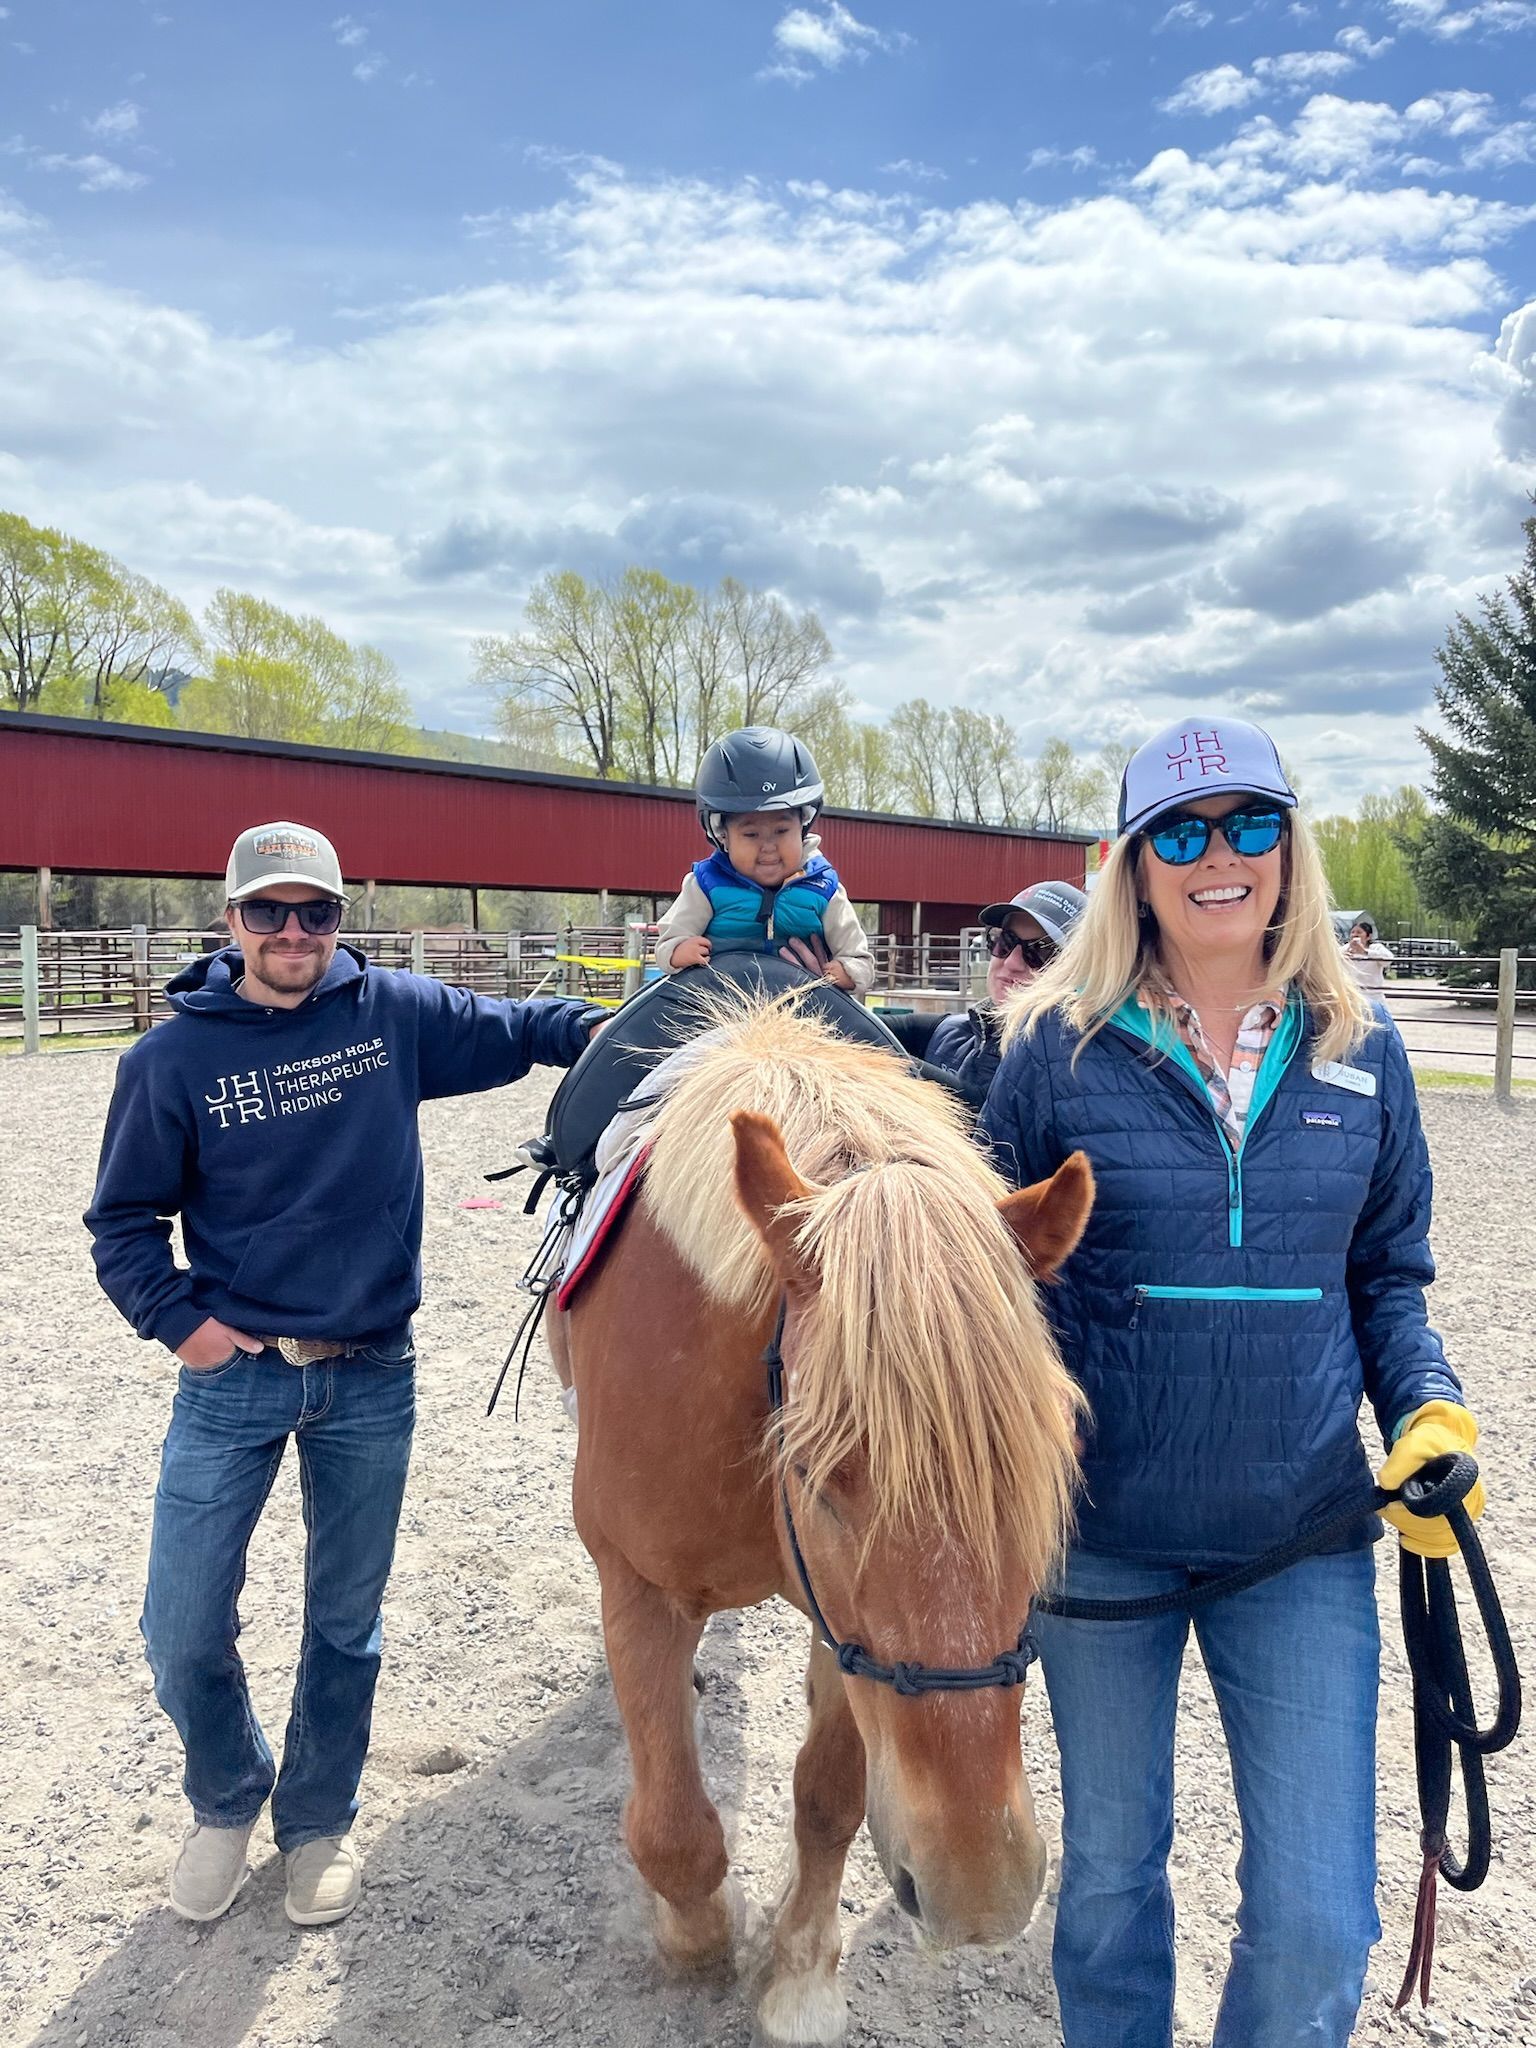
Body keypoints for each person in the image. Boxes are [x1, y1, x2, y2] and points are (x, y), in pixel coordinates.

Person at [978, 717, 1486, 2048]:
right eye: (1184, 832)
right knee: (1106, 1890)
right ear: (1134, 866)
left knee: (1322, 1920)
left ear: (1289, 848)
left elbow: (1384, 1276)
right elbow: (984, 1283)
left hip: (1303, 1537)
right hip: (1100, 1543)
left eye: (1251, 823)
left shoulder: (1364, 1052)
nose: (1222, 857)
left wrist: (1424, 1405)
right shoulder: (1049, 1053)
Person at [85, 822, 603, 1930]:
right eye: (267, 910)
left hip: (372, 1372)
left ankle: (316, 1818)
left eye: (314, 911)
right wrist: (186, 1326)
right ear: (229, 920)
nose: (292, 932)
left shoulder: (394, 1015)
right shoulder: (169, 1061)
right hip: (237, 1379)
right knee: (179, 1623)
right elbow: (122, 1223)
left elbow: (526, 1028)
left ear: (337, 918)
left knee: (343, 1619)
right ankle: (225, 1796)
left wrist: (640, 1017)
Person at [654, 726, 875, 995]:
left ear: (803, 827)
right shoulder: (705, 884)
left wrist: (847, 972)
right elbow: (669, 940)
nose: (768, 847)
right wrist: (678, 951)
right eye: (751, 834)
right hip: (719, 1006)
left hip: (805, 1010)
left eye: (782, 832)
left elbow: (859, 958)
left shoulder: (824, 888)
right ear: (723, 836)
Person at [923, 881, 1087, 1099]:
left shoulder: (1078, 1068)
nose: (1012, 962)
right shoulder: (954, 1034)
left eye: (1041, 953)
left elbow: (987, 1112)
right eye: (1005, 942)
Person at [1346, 913, 1395, 994]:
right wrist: (1345, 954)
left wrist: (1365, 952)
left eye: (1359, 932)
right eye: (1353, 932)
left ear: (1368, 936)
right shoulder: (1345, 948)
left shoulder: (1376, 948)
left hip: (1372, 994)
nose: (1355, 935)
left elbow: (1388, 960)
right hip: (1352, 993)